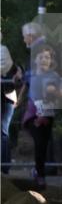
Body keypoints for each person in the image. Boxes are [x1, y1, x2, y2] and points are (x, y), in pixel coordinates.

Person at [23, 45, 62, 190]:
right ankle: (41, 176)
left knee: (43, 146)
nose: (44, 60)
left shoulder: (54, 76)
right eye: (41, 57)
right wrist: (18, 101)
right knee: (39, 142)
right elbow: (22, 85)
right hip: (33, 114)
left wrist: (55, 91)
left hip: (48, 114)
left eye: (47, 57)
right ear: (36, 60)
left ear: (51, 60)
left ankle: (37, 171)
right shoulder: (30, 74)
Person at [1, 33, 21, 173]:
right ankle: (4, 167)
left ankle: (4, 167)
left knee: (3, 131)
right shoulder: (5, 51)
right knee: (3, 131)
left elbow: (10, 69)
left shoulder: (3, 51)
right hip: (8, 95)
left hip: (6, 96)